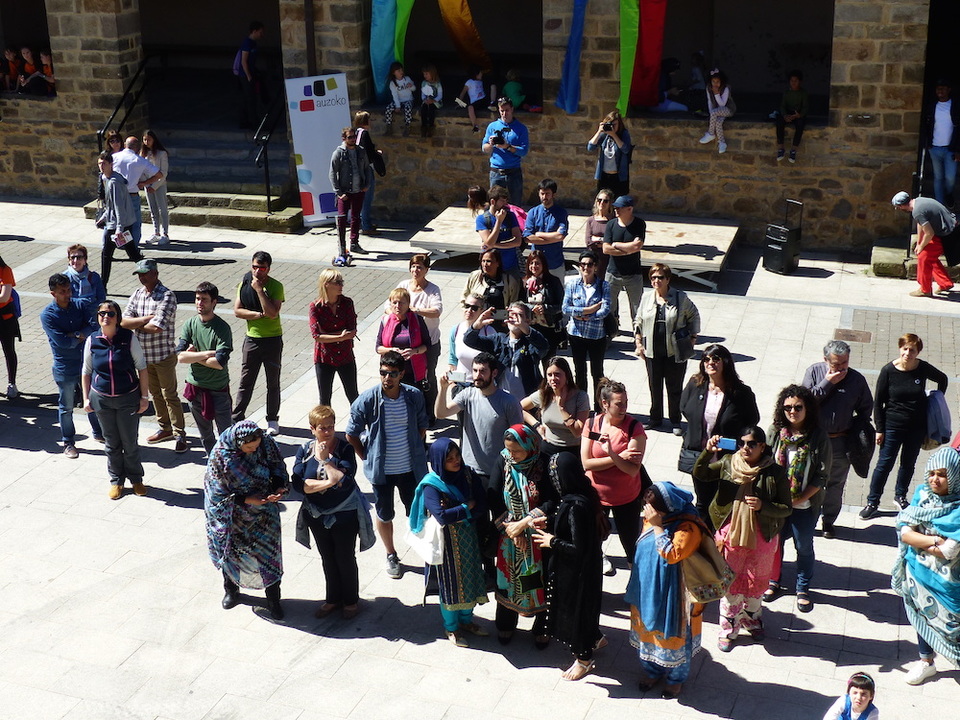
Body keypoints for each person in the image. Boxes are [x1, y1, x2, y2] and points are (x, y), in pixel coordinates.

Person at [693, 426, 791, 652]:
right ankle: (728, 629)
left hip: (762, 537)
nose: (745, 448)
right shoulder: (729, 462)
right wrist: (708, 452)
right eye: (742, 443)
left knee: (756, 585)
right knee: (730, 586)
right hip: (731, 535)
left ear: (762, 446)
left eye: (751, 444)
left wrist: (763, 506)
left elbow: (786, 508)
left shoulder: (775, 472)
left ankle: (752, 621)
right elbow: (701, 473)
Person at [346, 351, 428, 580]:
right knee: (384, 514)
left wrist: (415, 447)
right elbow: (351, 434)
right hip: (382, 472)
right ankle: (391, 554)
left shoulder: (414, 396)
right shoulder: (367, 399)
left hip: (411, 469)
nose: (387, 378)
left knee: (417, 512)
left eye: (392, 374)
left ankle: (426, 553)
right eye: (383, 373)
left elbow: (422, 426)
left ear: (402, 374)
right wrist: (366, 457)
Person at [292, 405, 374, 621]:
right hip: (316, 515)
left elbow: (344, 481)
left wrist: (325, 461)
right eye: (322, 428)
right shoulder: (304, 450)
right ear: (312, 429)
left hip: (345, 514)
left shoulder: (344, 448)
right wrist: (329, 482)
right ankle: (333, 599)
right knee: (327, 557)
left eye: (331, 426)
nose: (328, 431)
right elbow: (299, 484)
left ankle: (350, 601)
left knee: (345, 557)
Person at [626, 482, 706, 699]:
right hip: (648, 589)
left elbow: (672, 555)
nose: (648, 512)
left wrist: (658, 526)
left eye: (654, 509)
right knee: (647, 631)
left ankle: (675, 680)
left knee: (676, 638)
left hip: (674, 595)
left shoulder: (687, 527)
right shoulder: (655, 518)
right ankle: (652, 671)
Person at [204, 420, 288, 620]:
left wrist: (278, 486)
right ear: (238, 443)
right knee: (232, 554)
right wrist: (248, 500)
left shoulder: (265, 443)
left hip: (265, 513)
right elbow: (216, 494)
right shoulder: (221, 456)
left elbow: (277, 466)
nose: (254, 451)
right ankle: (231, 590)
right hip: (234, 516)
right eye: (249, 448)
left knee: (269, 556)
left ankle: (273, 599)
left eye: (256, 446)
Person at [891, 446, 960, 686]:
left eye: (942, 474)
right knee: (922, 617)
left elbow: (950, 551)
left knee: (953, 629)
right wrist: (935, 541)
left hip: (948, 584)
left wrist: (920, 540)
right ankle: (926, 661)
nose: (934, 479)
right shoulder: (922, 495)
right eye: (931, 473)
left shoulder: (958, 509)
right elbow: (904, 531)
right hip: (918, 574)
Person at [410, 438, 489, 646]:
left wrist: (460, 513)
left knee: (470, 579)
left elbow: (482, 504)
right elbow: (441, 516)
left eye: (457, 456)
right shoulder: (432, 485)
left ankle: (467, 621)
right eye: (449, 459)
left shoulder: (468, 475)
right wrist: (466, 507)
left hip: (468, 539)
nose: (456, 461)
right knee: (451, 585)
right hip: (446, 544)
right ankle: (451, 627)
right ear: (438, 461)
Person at [533, 453, 604, 680]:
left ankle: (584, 659)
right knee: (586, 610)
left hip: (578, 574)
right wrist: (551, 522)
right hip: (586, 568)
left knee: (577, 613)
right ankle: (596, 638)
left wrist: (551, 541)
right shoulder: (581, 495)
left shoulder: (576, 506)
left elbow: (577, 547)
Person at [862, 333, 948, 519]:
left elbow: (943, 379)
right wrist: (879, 429)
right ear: (900, 348)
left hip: (916, 427)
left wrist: (936, 400)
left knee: (908, 464)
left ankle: (900, 496)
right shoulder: (888, 371)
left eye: (912, 350)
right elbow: (878, 402)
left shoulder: (922, 368)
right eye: (905, 349)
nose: (908, 353)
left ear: (918, 352)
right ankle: (872, 502)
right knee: (884, 464)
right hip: (893, 426)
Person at [489, 424, 558, 647]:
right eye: (509, 449)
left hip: (538, 535)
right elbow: (494, 497)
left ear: (529, 446)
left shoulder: (544, 463)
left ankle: (542, 628)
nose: (512, 455)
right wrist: (512, 528)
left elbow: (552, 500)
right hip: (510, 536)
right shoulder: (503, 461)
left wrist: (525, 523)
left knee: (541, 581)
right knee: (508, 580)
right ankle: (506, 624)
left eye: (517, 450)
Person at [764, 384, 829, 613]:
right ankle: (773, 581)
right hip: (776, 503)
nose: (793, 411)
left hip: (804, 505)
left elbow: (822, 476)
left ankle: (802, 587)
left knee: (803, 546)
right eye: (788, 407)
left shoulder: (818, 437)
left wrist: (798, 499)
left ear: (807, 408)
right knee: (774, 544)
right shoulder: (775, 431)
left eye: (798, 407)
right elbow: (764, 461)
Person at [679, 344, 760, 528]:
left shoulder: (741, 393)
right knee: (702, 503)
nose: (710, 363)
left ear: (726, 363)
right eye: (706, 359)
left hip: (726, 459)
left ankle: (721, 539)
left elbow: (752, 421)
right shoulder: (695, 384)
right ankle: (702, 538)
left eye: (716, 359)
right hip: (700, 457)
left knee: (724, 503)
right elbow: (684, 408)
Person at [801, 340, 874, 538]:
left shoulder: (856, 380)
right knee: (809, 480)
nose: (841, 368)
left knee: (835, 484)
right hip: (814, 440)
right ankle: (807, 519)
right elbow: (804, 402)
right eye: (836, 364)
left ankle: (828, 521)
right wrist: (827, 383)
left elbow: (866, 408)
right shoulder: (814, 372)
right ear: (825, 360)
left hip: (840, 442)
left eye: (845, 363)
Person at [81, 300, 150, 499]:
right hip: (102, 400)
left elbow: (142, 368)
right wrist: (86, 398)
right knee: (111, 443)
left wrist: (144, 397)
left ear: (117, 318)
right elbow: (86, 371)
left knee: (130, 442)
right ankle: (116, 480)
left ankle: (136, 479)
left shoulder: (128, 338)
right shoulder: (92, 340)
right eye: (102, 313)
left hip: (127, 398)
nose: (106, 317)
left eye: (111, 314)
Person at [121, 259, 187, 453]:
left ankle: (180, 433)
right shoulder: (138, 294)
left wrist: (137, 323)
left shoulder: (167, 296)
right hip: (143, 357)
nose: (142, 278)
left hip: (163, 356)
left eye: (145, 274)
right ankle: (165, 428)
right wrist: (145, 319)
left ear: (155, 274)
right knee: (155, 394)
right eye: (139, 274)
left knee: (170, 395)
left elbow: (157, 327)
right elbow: (123, 322)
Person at [581, 378, 646, 573]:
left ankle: (635, 581)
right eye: (619, 404)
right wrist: (618, 457)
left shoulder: (634, 428)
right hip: (596, 496)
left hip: (626, 498)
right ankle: (600, 558)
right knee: (594, 538)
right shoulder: (592, 424)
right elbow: (586, 463)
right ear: (605, 404)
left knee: (632, 545)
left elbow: (632, 470)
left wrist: (611, 454)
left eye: (626, 402)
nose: (624, 408)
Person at [436, 352, 524, 494]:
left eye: (483, 371)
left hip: (498, 472)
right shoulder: (467, 395)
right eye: (475, 370)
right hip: (469, 470)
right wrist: (443, 388)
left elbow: (518, 437)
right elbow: (441, 413)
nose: (477, 375)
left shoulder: (509, 402)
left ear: (494, 373)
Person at [40, 273, 101, 457]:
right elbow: (62, 342)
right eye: (62, 292)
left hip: (86, 363)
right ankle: (68, 442)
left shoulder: (79, 305)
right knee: (66, 406)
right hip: (65, 366)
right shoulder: (48, 315)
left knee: (92, 401)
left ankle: (99, 432)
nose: (67, 294)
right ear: (53, 293)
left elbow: (94, 328)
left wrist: (74, 334)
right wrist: (79, 335)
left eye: (68, 290)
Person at [635, 263, 700, 433]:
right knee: (654, 386)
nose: (656, 280)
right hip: (652, 351)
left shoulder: (680, 297)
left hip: (675, 351)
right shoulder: (646, 297)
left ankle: (675, 420)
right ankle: (655, 418)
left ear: (668, 279)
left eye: (660, 277)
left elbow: (694, 315)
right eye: (653, 277)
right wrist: (638, 343)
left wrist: (692, 338)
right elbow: (638, 321)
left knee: (674, 388)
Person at [177, 282, 233, 456]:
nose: (199, 303)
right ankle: (212, 460)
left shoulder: (222, 328)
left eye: (204, 299)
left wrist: (194, 356)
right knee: (206, 435)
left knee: (226, 434)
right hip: (196, 388)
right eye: (197, 299)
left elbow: (219, 363)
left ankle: (228, 462)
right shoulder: (190, 324)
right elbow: (180, 356)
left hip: (218, 390)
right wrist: (206, 354)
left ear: (214, 302)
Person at [232, 251, 284, 434]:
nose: (257, 271)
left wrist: (260, 290)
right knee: (246, 381)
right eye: (254, 267)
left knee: (273, 382)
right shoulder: (244, 284)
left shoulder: (276, 286)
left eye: (262, 268)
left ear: (268, 269)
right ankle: (236, 418)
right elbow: (237, 311)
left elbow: (272, 313)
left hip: (272, 340)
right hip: (252, 339)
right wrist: (257, 315)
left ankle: (272, 419)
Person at [464, 302, 548, 399]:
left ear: (528, 321)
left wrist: (524, 327)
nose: (515, 319)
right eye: (511, 315)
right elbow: (469, 340)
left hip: (526, 400)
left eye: (519, 315)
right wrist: (478, 324)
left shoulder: (531, 343)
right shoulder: (498, 340)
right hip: (501, 400)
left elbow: (544, 347)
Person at [396, 254, 442, 423]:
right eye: (413, 266)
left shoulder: (433, 289)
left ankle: (430, 413)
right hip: (407, 343)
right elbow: (389, 305)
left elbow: (437, 311)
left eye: (420, 267)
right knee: (408, 378)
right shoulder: (403, 285)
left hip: (428, 343)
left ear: (427, 270)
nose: (416, 270)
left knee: (428, 377)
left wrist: (415, 311)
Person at [522, 356, 590, 460]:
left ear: (567, 375)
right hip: (548, 447)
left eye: (557, 374)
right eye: (549, 375)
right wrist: (537, 425)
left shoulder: (580, 397)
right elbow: (519, 407)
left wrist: (562, 408)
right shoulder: (543, 395)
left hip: (571, 450)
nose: (553, 378)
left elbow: (577, 432)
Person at [563, 250, 610, 397]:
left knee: (597, 373)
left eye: (589, 264)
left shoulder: (603, 285)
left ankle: (599, 405)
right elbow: (565, 308)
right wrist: (587, 310)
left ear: (595, 266)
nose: (586, 267)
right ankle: (581, 403)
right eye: (582, 264)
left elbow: (605, 309)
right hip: (576, 334)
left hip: (596, 335)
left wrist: (586, 317)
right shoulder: (572, 285)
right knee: (579, 371)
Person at [309, 267, 358, 407]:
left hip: (345, 356)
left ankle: (360, 421)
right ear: (326, 284)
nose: (341, 285)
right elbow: (316, 336)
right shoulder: (316, 307)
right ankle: (326, 421)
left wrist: (328, 335)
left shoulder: (347, 303)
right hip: (324, 358)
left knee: (353, 395)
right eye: (337, 282)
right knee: (324, 399)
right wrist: (341, 336)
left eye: (341, 282)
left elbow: (352, 331)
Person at [891, 191, 956, 297]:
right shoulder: (919, 202)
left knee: (924, 256)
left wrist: (921, 247)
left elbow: (929, 233)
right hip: (947, 230)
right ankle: (945, 283)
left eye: (898, 207)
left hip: (947, 235)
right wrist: (919, 243)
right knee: (929, 255)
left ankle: (925, 289)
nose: (899, 209)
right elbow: (920, 224)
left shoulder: (917, 211)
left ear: (901, 206)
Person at [96, 150, 143, 292]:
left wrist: (119, 229)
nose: (101, 166)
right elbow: (110, 204)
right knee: (132, 253)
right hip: (118, 223)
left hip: (117, 225)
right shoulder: (107, 179)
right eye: (99, 164)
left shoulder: (114, 182)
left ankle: (102, 286)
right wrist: (104, 217)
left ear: (111, 164)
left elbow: (119, 207)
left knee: (106, 254)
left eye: (104, 164)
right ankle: (149, 269)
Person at [603, 195, 646, 339]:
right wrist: (627, 249)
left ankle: (639, 338)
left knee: (637, 309)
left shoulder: (639, 224)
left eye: (619, 208)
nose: (616, 210)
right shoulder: (611, 224)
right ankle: (610, 335)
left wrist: (616, 245)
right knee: (608, 308)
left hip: (633, 274)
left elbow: (637, 246)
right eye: (615, 207)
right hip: (612, 273)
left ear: (629, 209)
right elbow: (606, 249)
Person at [112, 136, 163, 248]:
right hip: (132, 194)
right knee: (134, 223)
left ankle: (116, 244)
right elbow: (159, 175)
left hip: (116, 193)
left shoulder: (114, 157)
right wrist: (144, 183)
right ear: (137, 148)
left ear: (125, 145)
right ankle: (133, 246)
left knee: (116, 220)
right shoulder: (140, 161)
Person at [329, 126, 372, 260]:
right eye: (350, 137)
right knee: (342, 218)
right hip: (345, 192)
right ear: (344, 138)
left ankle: (354, 243)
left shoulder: (361, 151)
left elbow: (367, 169)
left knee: (356, 217)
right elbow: (332, 173)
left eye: (354, 137)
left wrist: (367, 185)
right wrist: (339, 192)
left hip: (358, 190)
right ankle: (342, 247)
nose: (353, 139)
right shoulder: (339, 153)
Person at [375, 287, 430, 391]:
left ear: (408, 304)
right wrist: (392, 350)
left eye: (401, 303)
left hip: (413, 372)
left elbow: (427, 345)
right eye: (394, 302)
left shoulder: (417, 320)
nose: (397, 306)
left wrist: (414, 351)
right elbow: (378, 348)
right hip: (391, 373)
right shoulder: (385, 321)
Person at [482, 97, 529, 205]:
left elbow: (524, 151)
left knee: (515, 205)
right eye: (501, 111)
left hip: (514, 172)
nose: (504, 114)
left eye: (507, 110)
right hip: (496, 172)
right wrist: (491, 144)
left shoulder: (521, 128)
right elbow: (484, 148)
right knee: (495, 204)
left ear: (512, 109)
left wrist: (507, 147)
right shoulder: (492, 126)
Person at [522, 250, 565, 362]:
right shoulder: (524, 282)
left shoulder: (553, 282)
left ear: (543, 265)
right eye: (531, 263)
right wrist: (531, 308)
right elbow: (519, 303)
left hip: (548, 328)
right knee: (531, 363)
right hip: (530, 328)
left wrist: (545, 308)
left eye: (537, 263)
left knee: (549, 362)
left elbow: (562, 305)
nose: (534, 266)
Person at [923, 78, 960, 207]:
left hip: (950, 149)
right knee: (938, 177)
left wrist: (958, 149)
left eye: (943, 88)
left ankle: (948, 194)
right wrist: (928, 144)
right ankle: (940, 205)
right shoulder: (932, 106)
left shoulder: (955, 106)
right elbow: (926, 126)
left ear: (949, 90)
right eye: (938, 89)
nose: (940, 91)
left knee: (950, 178)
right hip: (935, 148)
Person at [523, 178, 569, 281]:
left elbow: (560, 236)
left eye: (547, 194)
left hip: (555, 263)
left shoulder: (561, 213)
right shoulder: (532, 212)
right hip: (536, 265)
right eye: (542, 194)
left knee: (557, 290)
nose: (544, 197)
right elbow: (527, 237)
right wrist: (552, 238)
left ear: (553, 194)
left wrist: (539, 234)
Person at [472, 185, 524, 277]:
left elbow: (517, 241)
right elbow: (488, 242)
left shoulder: (510, 216)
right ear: (493, 201)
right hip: (491, 270)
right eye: (502, 201)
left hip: (511, 268)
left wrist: (495, 245)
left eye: (506, 201)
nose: (505, 204)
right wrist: (499, 221)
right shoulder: (482, 219)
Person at [460, 249, 522, 323]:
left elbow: (514, 303)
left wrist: (508, 319)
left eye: (489, 261)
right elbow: (464, 298)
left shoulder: (509, 281)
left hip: (500, 323)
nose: (485, 264)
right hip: (478, 322)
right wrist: (469, 315)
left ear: (498, 263)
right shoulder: (474, 276)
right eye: (483, 261)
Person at [448, 294, 495, 376]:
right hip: (460, 381)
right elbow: (453, 359)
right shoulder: (456, 330)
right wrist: (451, 379)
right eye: (467, 306)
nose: (469, 310)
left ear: (482, 311)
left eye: (474, 308)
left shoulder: (489, 332)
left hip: (481, 382)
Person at [587, 110, 632, 198]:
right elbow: (590, 147)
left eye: (614, 125)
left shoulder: (624, 134)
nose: (612, 127)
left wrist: (614, 135)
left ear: (619, 125)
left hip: (618, 176)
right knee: (603, 199)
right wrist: (599, 132)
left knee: (618, 201)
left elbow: (626, 150)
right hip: (604, 175)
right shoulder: (604, 135)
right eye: (610, 124)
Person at [353, 111, 382, 236]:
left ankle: (365, 222)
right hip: (366, 169)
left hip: (359, 169)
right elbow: (367, 152)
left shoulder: (356, 133)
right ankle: (366, 226)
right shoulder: (364, 134)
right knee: (367, 198)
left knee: (363, 198)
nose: (371, 122)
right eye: (369, 119)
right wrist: (377, 153)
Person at [140, 129, 170, 245]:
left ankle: (165, 233)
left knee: (162, 209)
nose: (147, 142)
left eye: (149, 139)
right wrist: (146, 184)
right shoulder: (143, 154)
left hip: (159, 185)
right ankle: (156, 232)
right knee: (153, 209)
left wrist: (154, 186)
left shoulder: (162, 154)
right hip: (147, 185)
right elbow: (141, 170)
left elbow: (164, 172)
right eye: (145, 140)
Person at [236, 21, 266, 129]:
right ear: (254, 31)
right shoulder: (247, 43)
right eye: (260, 32)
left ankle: (247, 120)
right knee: (249, 99)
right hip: (245, 75)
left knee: (249, 98)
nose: (261, 35)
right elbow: (244, 61)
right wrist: (248, 75)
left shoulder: (253, 43)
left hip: (251, 72)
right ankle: (252, 122)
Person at [775, 70, 809, 164]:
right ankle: (781, 148)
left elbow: (805, 107)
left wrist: (799, 115)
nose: (793, 83)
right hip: (788, 113)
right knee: (779, 122)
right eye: (791, 81)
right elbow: (782, 106)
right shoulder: (786, 93)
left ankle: (793, 149)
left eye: (796, 81)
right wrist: (785, 115)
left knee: (800, 124)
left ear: (800, 82)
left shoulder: (803, 93)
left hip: (798, 114)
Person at [64, 244, 105, 320]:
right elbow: (65, 301)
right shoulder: (64, 278)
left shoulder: (94, 277)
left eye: (79, 257)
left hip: (92, 317)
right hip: (73, 317)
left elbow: (102, 299)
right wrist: (88, 302)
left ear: (85, 260)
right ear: (69, 260)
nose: (75, 260)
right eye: (72, 257)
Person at [699, 69, 735, 154]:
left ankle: (711, 133)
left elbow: (722, 104)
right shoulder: (708, 88)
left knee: (714, 112)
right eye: (713, 81)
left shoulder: (725, 88)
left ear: (721, 82)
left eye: (718, 82)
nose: (715, 84)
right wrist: (711, 114)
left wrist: (716, 94)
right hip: (716, 111)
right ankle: (722, 143)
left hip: (727, 109)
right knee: (718, 122)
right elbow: (710, 101)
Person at [0, 255, 20, 399]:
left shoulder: (5, 270)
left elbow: (5, 297)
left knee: (9, 350)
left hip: (5, 319)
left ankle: (12, 383)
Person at [584, 189, 615, 280]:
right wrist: (604, 241)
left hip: (608, 259)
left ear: (610, 203)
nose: (602, 203)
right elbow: (588, 242)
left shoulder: (614, 221)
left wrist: (597, 239)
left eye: (605, 201)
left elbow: (614, 242)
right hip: (593, 259)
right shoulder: (591, 220)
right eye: (599, 200)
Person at [384, 61, 416, 136]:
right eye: (398, 71)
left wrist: (411, 86)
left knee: (408, 108)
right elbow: (395, 95)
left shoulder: (407, 79)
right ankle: (389, 127)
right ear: (393, 73)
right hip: (398, 101)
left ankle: (407, 126)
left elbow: (414, 89)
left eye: (401, 70)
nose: (401, 72)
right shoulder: (392, 83)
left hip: (408, 100)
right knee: (388, 109)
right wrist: (398, 106)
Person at [458, 66, 489, 133]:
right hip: (475, 102)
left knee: (470, 107)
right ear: (476, 74)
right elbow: (463, 93)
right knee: (470, 107)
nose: (482, 74)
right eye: (480, 73)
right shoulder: (469, 82)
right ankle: (475, 126)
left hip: (483, 99)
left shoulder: (481, 81)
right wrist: (459, 102)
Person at [419, 64, 442, 138]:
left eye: (426, 74)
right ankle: (424, 127)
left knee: (431, 110)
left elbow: (440, 95)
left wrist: (433, 100)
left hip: (435, 102)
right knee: (424, 110)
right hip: (426, 101)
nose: (425, 76)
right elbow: (423, 94)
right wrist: (424, 100)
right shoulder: (424, 83)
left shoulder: (437, 84)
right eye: (424, 74)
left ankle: (430, 128)